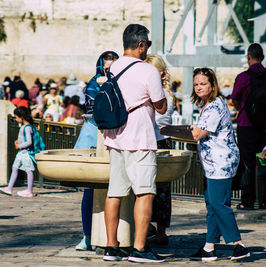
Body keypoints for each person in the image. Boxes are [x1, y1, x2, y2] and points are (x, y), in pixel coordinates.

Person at [160, 67, 250, 261]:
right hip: (212, 163)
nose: (199, 87)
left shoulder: (215, 106)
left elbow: (197, 134)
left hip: (221, 163)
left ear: (212, 86)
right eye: (196, 84)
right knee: (212, 204)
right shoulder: (207, 104)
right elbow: (197, 128)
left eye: (203, 84)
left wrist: (166, 131)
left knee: (219, 204)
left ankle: (238, 244)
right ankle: (209, 248)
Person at [102, 24, 167, 263]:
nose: (147, 48)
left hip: (114, 139)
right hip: (140, 139)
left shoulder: (113, 67)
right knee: (145, 193)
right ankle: (139, 248)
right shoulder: (148, 71)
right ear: (141, 44)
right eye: (147, 44)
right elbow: (161, 106)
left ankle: (111, 246)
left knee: (115, 193)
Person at [73, 51, 119, 251]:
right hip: (93, 135)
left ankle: (115, 237)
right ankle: (87, 235)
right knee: (90, 190)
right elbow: (92, 107)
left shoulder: (123, 82)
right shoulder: (92, 84)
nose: (109, 71)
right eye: (107, 67)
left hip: (117, 133)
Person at [231, 43, 266, 210]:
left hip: (246, 124)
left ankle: (247, 201)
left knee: (248, 163)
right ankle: (265, 200)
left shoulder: (243, 77)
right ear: (262, 57)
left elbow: (234, 100)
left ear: (248, 57)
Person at [144, 54, 174, 246]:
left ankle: (154, 229)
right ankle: (157, 229)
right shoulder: (168, 93)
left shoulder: (159, 94)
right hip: (164, 141)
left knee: (151, 187)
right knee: (161, 190)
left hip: (156, 142)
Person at [0, 107, 37, 197]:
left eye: (16, 117)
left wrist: (19, 145)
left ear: (21, 117)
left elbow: (29, 141)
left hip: (26, 153)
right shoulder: (25, 127)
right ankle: (9, 188)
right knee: (15, 168)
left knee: (29, 170)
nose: (15, 119)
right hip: (21, 153)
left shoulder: (27, 128)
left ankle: (29, 190)